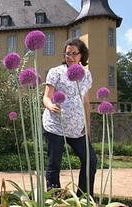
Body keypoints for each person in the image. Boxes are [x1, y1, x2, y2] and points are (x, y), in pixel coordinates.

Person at [42, 38, 97, 196]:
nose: (71, 57)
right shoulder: (56, 72)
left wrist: (87, 127)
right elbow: (46, 97)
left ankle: (84, 198)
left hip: (77, 129)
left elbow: (86, 102)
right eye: (67, 54)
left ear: (82, 55)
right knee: (54, 164)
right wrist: (50, 105)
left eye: (74, 54)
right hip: (55, 126)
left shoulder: (86, 75)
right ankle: (55, 200)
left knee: (91, 161)